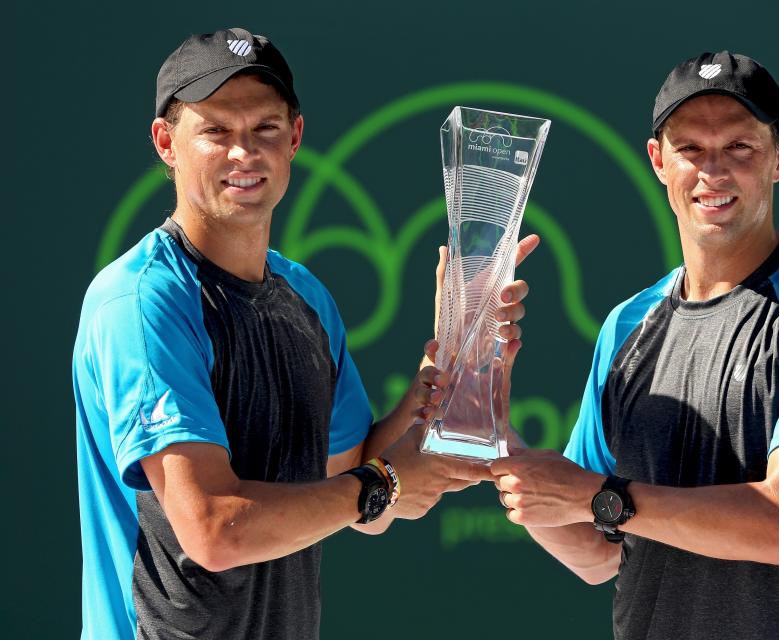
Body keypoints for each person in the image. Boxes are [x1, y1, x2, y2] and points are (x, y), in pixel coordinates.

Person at [72, 27, 536, 640]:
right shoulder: (141, 300)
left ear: (294, 137)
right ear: (167, 143)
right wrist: (385, 483)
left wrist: (448, 367)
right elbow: (214, 529)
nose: (245, 153)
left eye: (265, 129)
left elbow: (355, 495)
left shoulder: (307, 300)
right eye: (216, 131)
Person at [490, 51, 779, 640]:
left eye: (740, 148)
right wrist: (490, 423)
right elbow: (596, 551)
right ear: (658, 161)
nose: (714, 171)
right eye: (691, 149)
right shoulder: (626, 325)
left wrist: (606, 498)